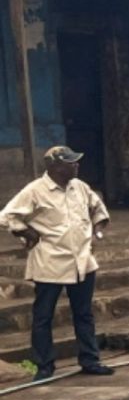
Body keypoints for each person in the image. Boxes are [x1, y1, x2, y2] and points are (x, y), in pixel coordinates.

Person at [0, 146, 115, 380]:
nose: (76, 166)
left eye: (76, 162)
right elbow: (7, 216)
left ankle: (90, 360)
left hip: (82, 260)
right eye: (70, 163)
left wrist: (97, 234)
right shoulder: (35, 191)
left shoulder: (80, 187)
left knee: (84, 314)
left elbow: (99, 211)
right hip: (50, 261)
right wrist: (26, 232)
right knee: (43, 316)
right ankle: (44, 366)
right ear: (55, 167)